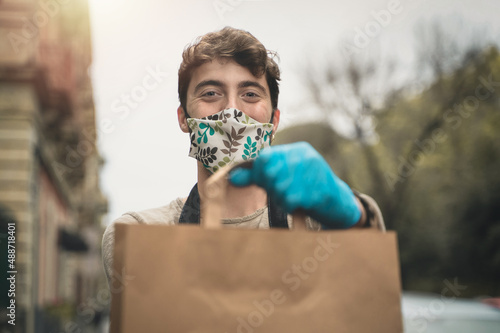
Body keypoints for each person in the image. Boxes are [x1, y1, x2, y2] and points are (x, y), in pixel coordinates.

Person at [101, 27, 385, 286]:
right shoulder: (141, 235)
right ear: (184, 119)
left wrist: (355, 217)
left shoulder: (322, 228)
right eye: (211, 93)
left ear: (273, 122)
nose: (231, 111)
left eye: (250, 94)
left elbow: (372, 288)